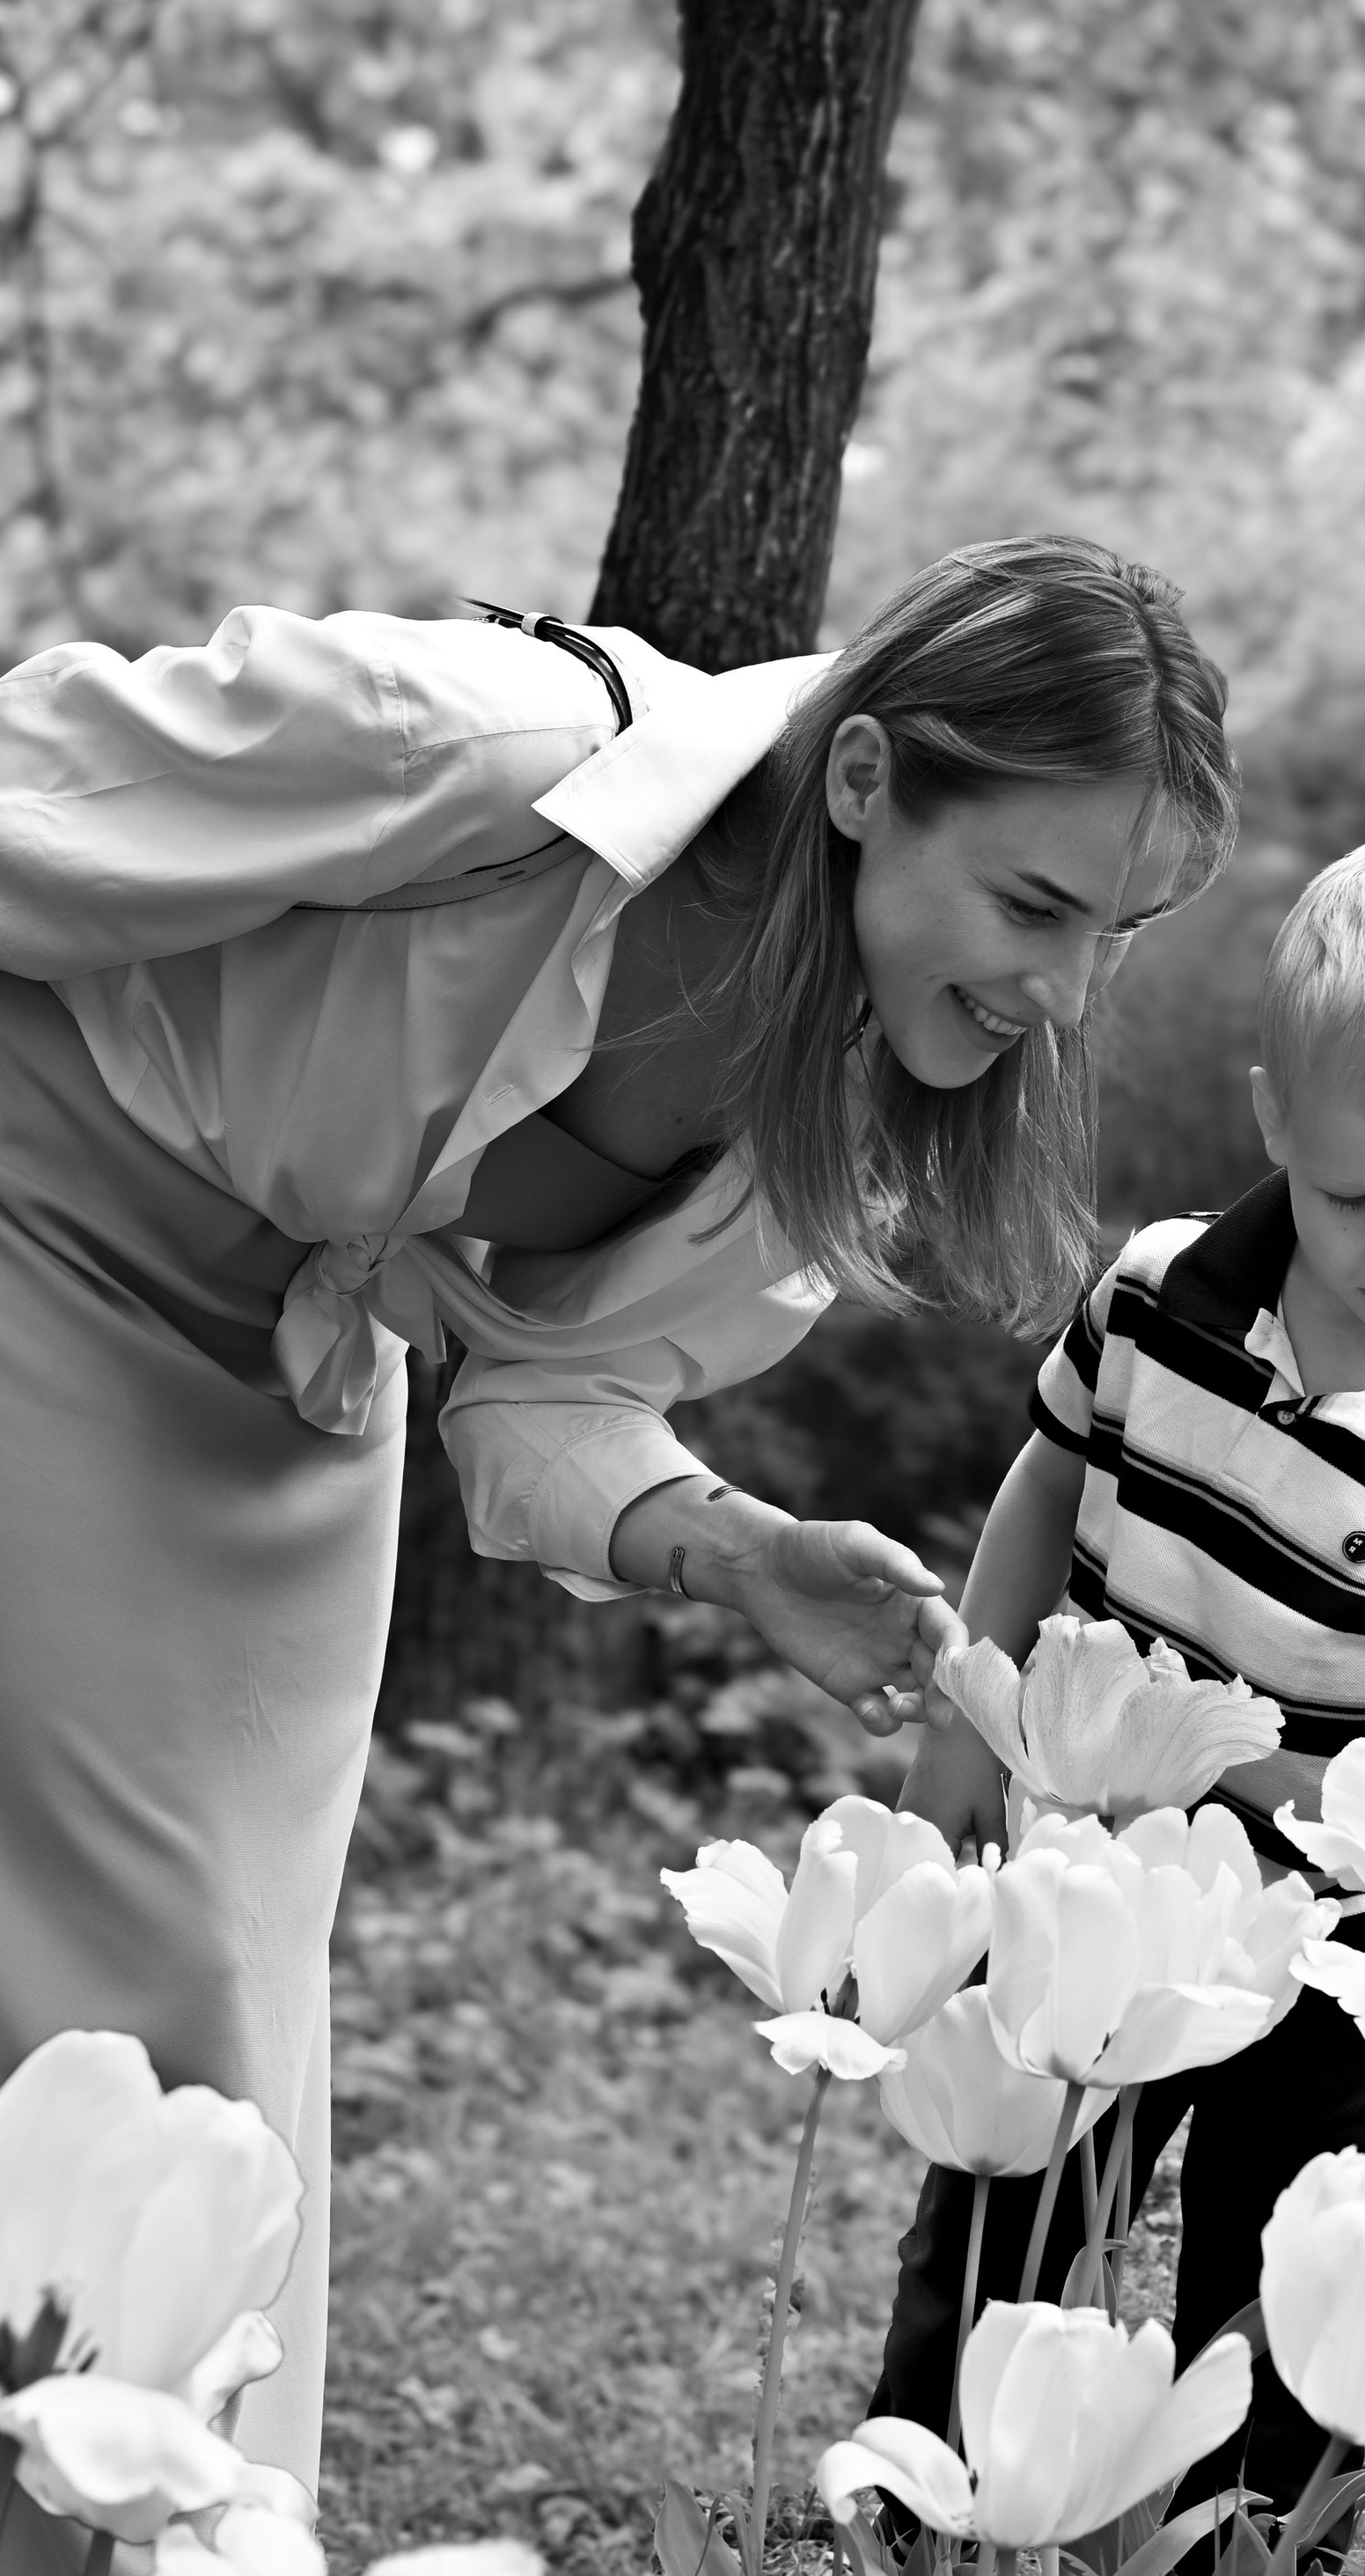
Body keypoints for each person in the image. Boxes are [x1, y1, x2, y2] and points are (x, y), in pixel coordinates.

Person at [0, 535, 1237, 2510]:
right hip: (38, 1217)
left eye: (1113, 934)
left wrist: (737, 1547)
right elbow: (33, 797)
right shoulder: (479, 751)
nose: (1061, 988)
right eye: (1032, 901)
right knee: (112, 1979)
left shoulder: (814, 1104)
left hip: (290, 1378)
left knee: (234, 2011)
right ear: (863, 784)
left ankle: (171, 2527)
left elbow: (543, 1397)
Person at [870, 833, 1365, 2548]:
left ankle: (1247, 2531)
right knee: (1013, 2186)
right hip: (1099, 1860)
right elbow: (1045, 1484)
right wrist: (961, 1723)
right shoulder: (1156, 1293)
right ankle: (929, 2492)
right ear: (1273, 1117)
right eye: (1354, 1198)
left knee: (1284, 2258)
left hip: (1328, 1925)